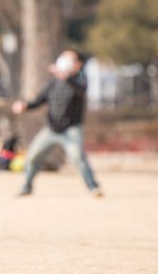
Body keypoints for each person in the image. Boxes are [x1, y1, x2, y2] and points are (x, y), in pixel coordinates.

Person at [12, 49, 102, 197]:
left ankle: (93, 186)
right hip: (52, 129)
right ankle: (27, 186)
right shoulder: (54, 82)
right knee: (33, 156)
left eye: (69, 58)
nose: (64, 60)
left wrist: (66, 77)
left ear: (78, 64)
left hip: (72, 129)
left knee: (78, 157)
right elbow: (40, 100)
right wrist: (25, 106)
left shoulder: (80, 79)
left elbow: (80, 91)